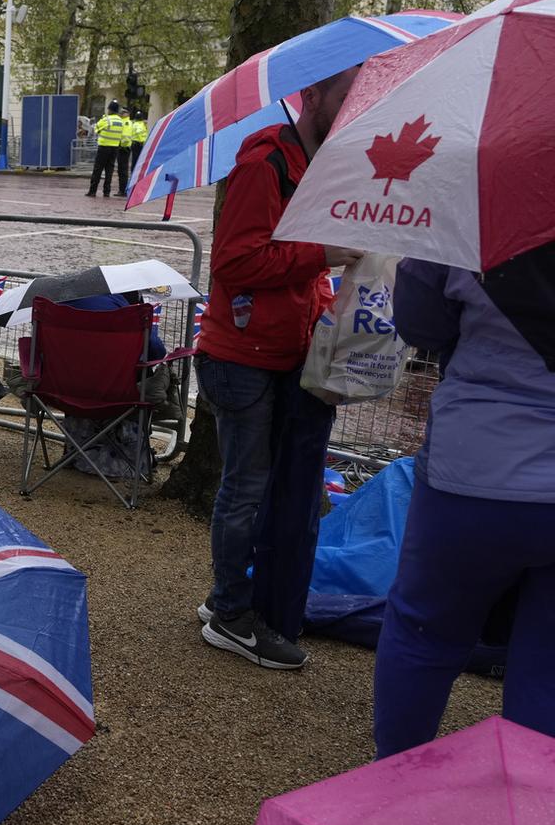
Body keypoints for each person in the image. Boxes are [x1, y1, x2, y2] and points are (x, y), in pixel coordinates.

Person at [195, 67, 364, 670]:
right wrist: (321, 254)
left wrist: (326, 308)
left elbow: (297, 273)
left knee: (266, 489)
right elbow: (236, 261)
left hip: (283, 355)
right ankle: (228, 613)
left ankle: (242, 598)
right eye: (348, 96)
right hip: (242, 361)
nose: (355, 109)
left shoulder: (315, 167)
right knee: (245, 489)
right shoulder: (265, 163)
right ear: (312, 96)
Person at [372, 243, 555, 757]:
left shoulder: (473, 212)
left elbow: (421, 325)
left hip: (474, 467)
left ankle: (394, 787)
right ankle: (530, 809)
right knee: (548, 663)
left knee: (424, 633)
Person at [86, 101, 124, 197]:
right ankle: (106, 191)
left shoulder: (106, 120)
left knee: (98, 169)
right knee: (109, 171)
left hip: (104, 147)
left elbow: (96, 129)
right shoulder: (120, 121)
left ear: (110, 110)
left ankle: (92, 191)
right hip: (115, 148)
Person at [118, 109, 147, 197]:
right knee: (137, 162)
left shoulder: (134, 124)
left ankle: (133, 176)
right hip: (140, 144)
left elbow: (136, 132)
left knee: (132, 164)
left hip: (133, 144)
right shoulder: (142, 125)